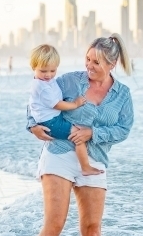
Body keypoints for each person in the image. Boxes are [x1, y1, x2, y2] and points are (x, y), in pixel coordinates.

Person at [26, 35, 134, 236]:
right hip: (59, 154)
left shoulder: (122, 95)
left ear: (112, 64)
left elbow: (123, 130)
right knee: (54, 225)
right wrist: (31, 124)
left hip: (94, 161)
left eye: (96, 62)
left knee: (92, 230)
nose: (89, 66)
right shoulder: (69, 82)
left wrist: (93, 133)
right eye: (87, 59)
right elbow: (37, 98)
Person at [28, 45, 99, 176]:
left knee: (78, 129)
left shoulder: (44, 81)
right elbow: (57, 105)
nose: (48, 75)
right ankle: (85, 167)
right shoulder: (41, 87)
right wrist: (75, 104)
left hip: (53, 118)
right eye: (43, 71)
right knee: (79, 136)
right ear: (33, 67)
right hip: (51, 122)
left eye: (52, 70)